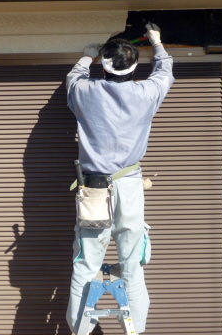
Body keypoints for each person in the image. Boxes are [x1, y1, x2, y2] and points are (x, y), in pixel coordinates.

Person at [65, 23, 174, 334]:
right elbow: (164, 72)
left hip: (95, 189)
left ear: (105, 63)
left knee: (86, 265)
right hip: (129, 185)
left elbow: (73, 78)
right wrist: (157, 42)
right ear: (134, 66)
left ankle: (79, 330)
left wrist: (87, 57)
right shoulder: (146, 92)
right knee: (132, 267)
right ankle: (135, 330)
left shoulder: (86, 91)